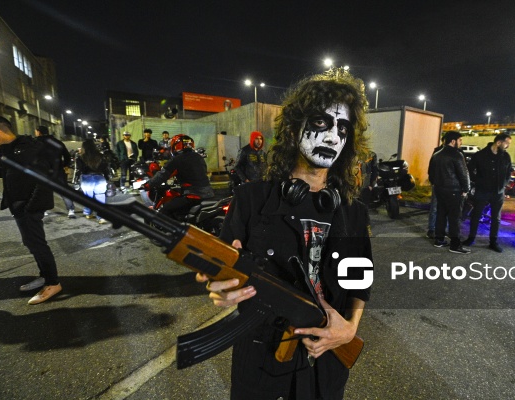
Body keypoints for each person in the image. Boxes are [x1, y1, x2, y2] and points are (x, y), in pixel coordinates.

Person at [195, 68, 373, 399]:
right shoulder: (251, 200)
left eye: (343, 128)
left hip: (326, 366)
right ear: (293, 129)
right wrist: (220, 290)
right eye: (321, 123)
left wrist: (349, 330)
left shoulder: (352, 211)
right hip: (261, 361)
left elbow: (360, 281)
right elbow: (223, 273)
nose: (333, 137)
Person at [0, 115, 62, 304]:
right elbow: (10, 174)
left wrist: (30, 208)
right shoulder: (9, 150)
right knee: (31, 243)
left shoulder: (28, 148)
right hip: (19, 206)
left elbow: (44, 180)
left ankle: (53, 283)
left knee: (37, 244)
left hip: (28, 206)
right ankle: (45, 276)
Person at [462, 133, 513, 253]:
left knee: (496, 218)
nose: (507, 146)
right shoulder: (480, 155)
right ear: (499, 143)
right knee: (476, 215)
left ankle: (493, 242)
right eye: (507, 143)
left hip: (498, 192)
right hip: (482, 190)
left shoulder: (506, 157)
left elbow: (509, 172)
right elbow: (469, 169)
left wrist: (504, 184)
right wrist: (478, 180)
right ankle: (471, 238)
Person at [147, 134, 214, 218]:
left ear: (175, 145)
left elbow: (162, 175)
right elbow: (195, 173)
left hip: (193, 195)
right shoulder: (198, 157)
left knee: (166, 209)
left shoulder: (177, 159)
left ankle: (171, 231)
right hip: (209, 194)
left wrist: (147, 185)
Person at [428, 130, 471, 254]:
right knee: (454, 218)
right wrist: (465, 189)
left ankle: (439, 239)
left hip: (439, 189)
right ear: (453, 141)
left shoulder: (437, 154)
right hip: (453, 190)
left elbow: (430, 172)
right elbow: (463, 174)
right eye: (460, 140)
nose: (461, 142)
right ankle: (455, 245)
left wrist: (435, 184)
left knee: (440, 215)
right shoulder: (457, 155)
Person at [34, 125, 76, 218]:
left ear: (39, 132)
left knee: (42, 191)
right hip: (58, 170)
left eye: (36, 131)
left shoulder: (35, 143)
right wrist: (65, 165)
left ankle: (43, 210)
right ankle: (71, 210)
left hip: (42, 171)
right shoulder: (57, 142)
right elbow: (67, 156)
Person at [76, 139, 110, 224]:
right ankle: (101, 217)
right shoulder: (101, 156)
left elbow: (80, 170)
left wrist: (76, 180)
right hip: (99, 178)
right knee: (101, 197)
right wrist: (106, 178)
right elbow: (105, 168)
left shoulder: (80, 157)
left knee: (88, 198)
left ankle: (88, 212)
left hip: (87, 179)